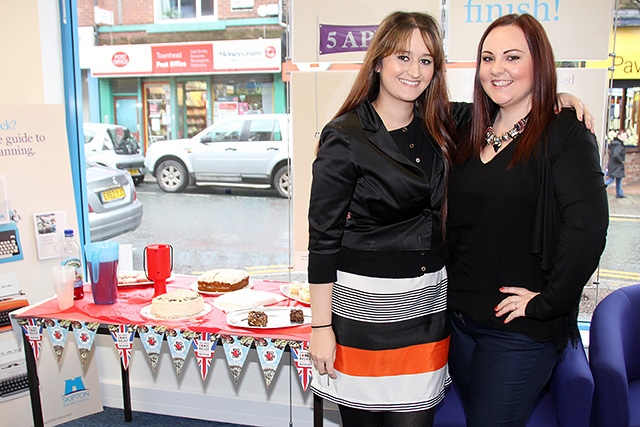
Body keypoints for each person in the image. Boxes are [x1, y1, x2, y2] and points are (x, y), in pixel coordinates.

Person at [445, 13, 609, 427]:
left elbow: (587, 227)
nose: (497, 69)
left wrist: (547, 302)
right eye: (487, 58)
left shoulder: (564, 131)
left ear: (539, 63)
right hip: (460, 323)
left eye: (512, 57)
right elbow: (399, 108)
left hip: (519, 333)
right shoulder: (465, 124)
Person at [307, 11, 463, 426]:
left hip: (426, 308)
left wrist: (556, 99)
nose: (415, 71)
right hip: (364, 313)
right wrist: (321, 327)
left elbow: (506, 106)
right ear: (378, 62)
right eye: (403, 57)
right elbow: (323, 238)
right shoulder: (345, 136)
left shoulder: (443, 125)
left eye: (426, 60)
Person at [605, 129, 628, 198]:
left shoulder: (616, 143)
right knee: (611, 179)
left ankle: (619, 193)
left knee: (619, 179)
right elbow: (615, 154)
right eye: (624, 135)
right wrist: (621, 160)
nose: (625, 137)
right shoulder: (618, 145)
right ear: (619, 136)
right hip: (616, 165)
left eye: (626, 135)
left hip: (615, 165)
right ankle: (599, 188)